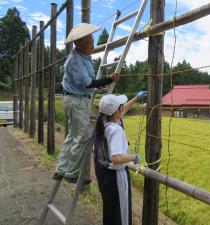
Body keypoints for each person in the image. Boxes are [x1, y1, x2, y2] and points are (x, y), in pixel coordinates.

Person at [52, 23, 119, 183]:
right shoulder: (75, 60)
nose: (93, 44)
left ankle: (62, 169)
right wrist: (109, 79)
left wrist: (100, 84)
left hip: (76, 99)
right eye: (90, 41)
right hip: (77, 101)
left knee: (72, 136)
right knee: (81, 137)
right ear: (80, 43)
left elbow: (88, 83)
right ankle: (72, 174)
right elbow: (86, 82)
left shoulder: (83, 57)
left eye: (92, 39)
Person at [93, 92, 146, 225]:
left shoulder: (102, 124)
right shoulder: (116, 130)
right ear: (116, 112)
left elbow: (122, 110)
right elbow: (116, 158)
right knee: (121, 215)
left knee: (111, 212)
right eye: (121, 106)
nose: (123, 108)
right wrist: (134, 156)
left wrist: (136, 98)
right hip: (115, 176)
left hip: (104, 174)